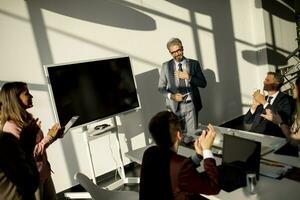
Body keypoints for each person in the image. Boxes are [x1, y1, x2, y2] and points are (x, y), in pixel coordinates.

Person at [0, 82, 62, 200]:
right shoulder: (10, 127)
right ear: (15, 99)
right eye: (27, 94)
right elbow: (27, 153)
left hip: (43, 172)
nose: (31, 96)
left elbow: (35, 146)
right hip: (33, 177)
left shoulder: (28, 119)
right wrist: (49, 137)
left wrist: (53, 136)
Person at [139, 111, 220, 200]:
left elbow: (174, 171)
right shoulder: (180, 166)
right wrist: (207, 150)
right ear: (179, 134)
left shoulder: (149, 153)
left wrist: (199, 155)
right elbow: (213, 187)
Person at [158, 38, 207, 143]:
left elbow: (203, 83)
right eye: (173, 52)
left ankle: (195, 157)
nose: (177, 54)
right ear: (170, 52)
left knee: (192, 136)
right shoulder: (166, 66)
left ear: (182, 48)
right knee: (178, 137)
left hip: (191, 105)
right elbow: (161, 87)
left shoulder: (194, 64)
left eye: (178, 50)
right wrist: (172, 96)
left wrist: (188, 77)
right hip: (174, 106)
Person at [244, 72, 293, 137]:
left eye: (267, 80)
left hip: (272, 137)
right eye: (265, 79)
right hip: (253, 136)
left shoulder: (286, 99)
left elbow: (282, 119)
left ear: (276, 83)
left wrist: (264, 102)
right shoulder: (263, 98)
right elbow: (247, 121)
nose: (264, 82)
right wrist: (254, 106)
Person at [261, 77, 300, 146]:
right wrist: (276, 120)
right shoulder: (263, 98)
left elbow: (295, 141)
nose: (292, 89)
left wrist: (280, 123)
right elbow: (293, 130)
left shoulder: (286, 99)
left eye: (294, 87)